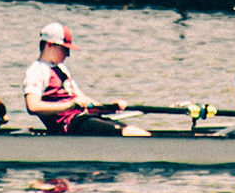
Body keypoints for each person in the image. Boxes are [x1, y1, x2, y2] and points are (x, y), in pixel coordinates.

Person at [22, 21, 150, 137]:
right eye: (65, 49)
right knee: (128, 132)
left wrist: (110, 108)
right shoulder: (36, 70)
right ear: (49, 45)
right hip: (70, 125)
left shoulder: (61, 69)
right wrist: (69, 105)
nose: (68, 54)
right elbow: (33, 106)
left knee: (133, 130)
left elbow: (82, 99)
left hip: (83, 118)